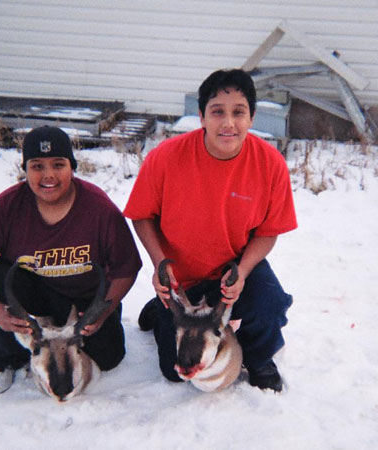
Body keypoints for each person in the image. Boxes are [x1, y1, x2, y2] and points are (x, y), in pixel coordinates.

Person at [124, 69, 297, 392]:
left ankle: (259, 358)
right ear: (201, 116)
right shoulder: (165, 158)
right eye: (217, 112)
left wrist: (243, 271)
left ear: (252, 117)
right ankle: (161, 310)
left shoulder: (270, 164)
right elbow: (141, 216)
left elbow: (269, 230)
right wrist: (160, 263)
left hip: (231, 269)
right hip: (181, 278)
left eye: (238, 112)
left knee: (270, 304)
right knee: (175, 371)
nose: (228, 123)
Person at [0, 126, 142, 394]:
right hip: (32, 296)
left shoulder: (98, 208)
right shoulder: (7, 206)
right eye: (37, 166)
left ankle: (66, 352)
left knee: (110, 355)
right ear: (26, 169)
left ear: (72, 167)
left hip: (83, 301)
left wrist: (103, 311)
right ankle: (0, 358)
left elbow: (127, 267)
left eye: (58, 164)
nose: (48, 175)